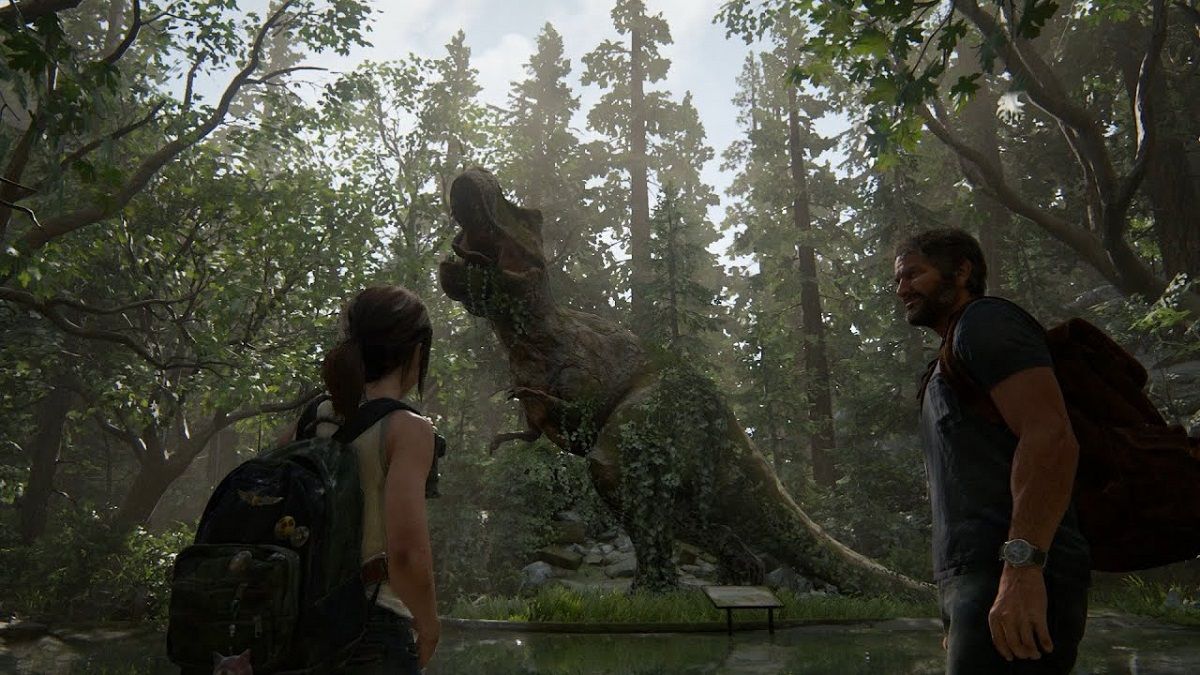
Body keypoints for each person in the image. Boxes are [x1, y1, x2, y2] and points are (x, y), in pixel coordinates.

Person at [893, 229, 1090, 674]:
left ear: (961, 270)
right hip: (977, 583)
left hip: (1016, 571)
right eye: (898, 279)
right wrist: (958, 608)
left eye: (913, 274)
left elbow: (1050, 438)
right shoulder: (945, 359)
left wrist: (1022, 571)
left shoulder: (985, 323)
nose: (902, 289)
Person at [283, 285, 440, 674]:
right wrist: (430, 626)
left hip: (298, 629)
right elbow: (406, 555)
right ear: (417, 352)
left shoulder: (310, 418)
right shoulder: (408, 429)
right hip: (372, 627)